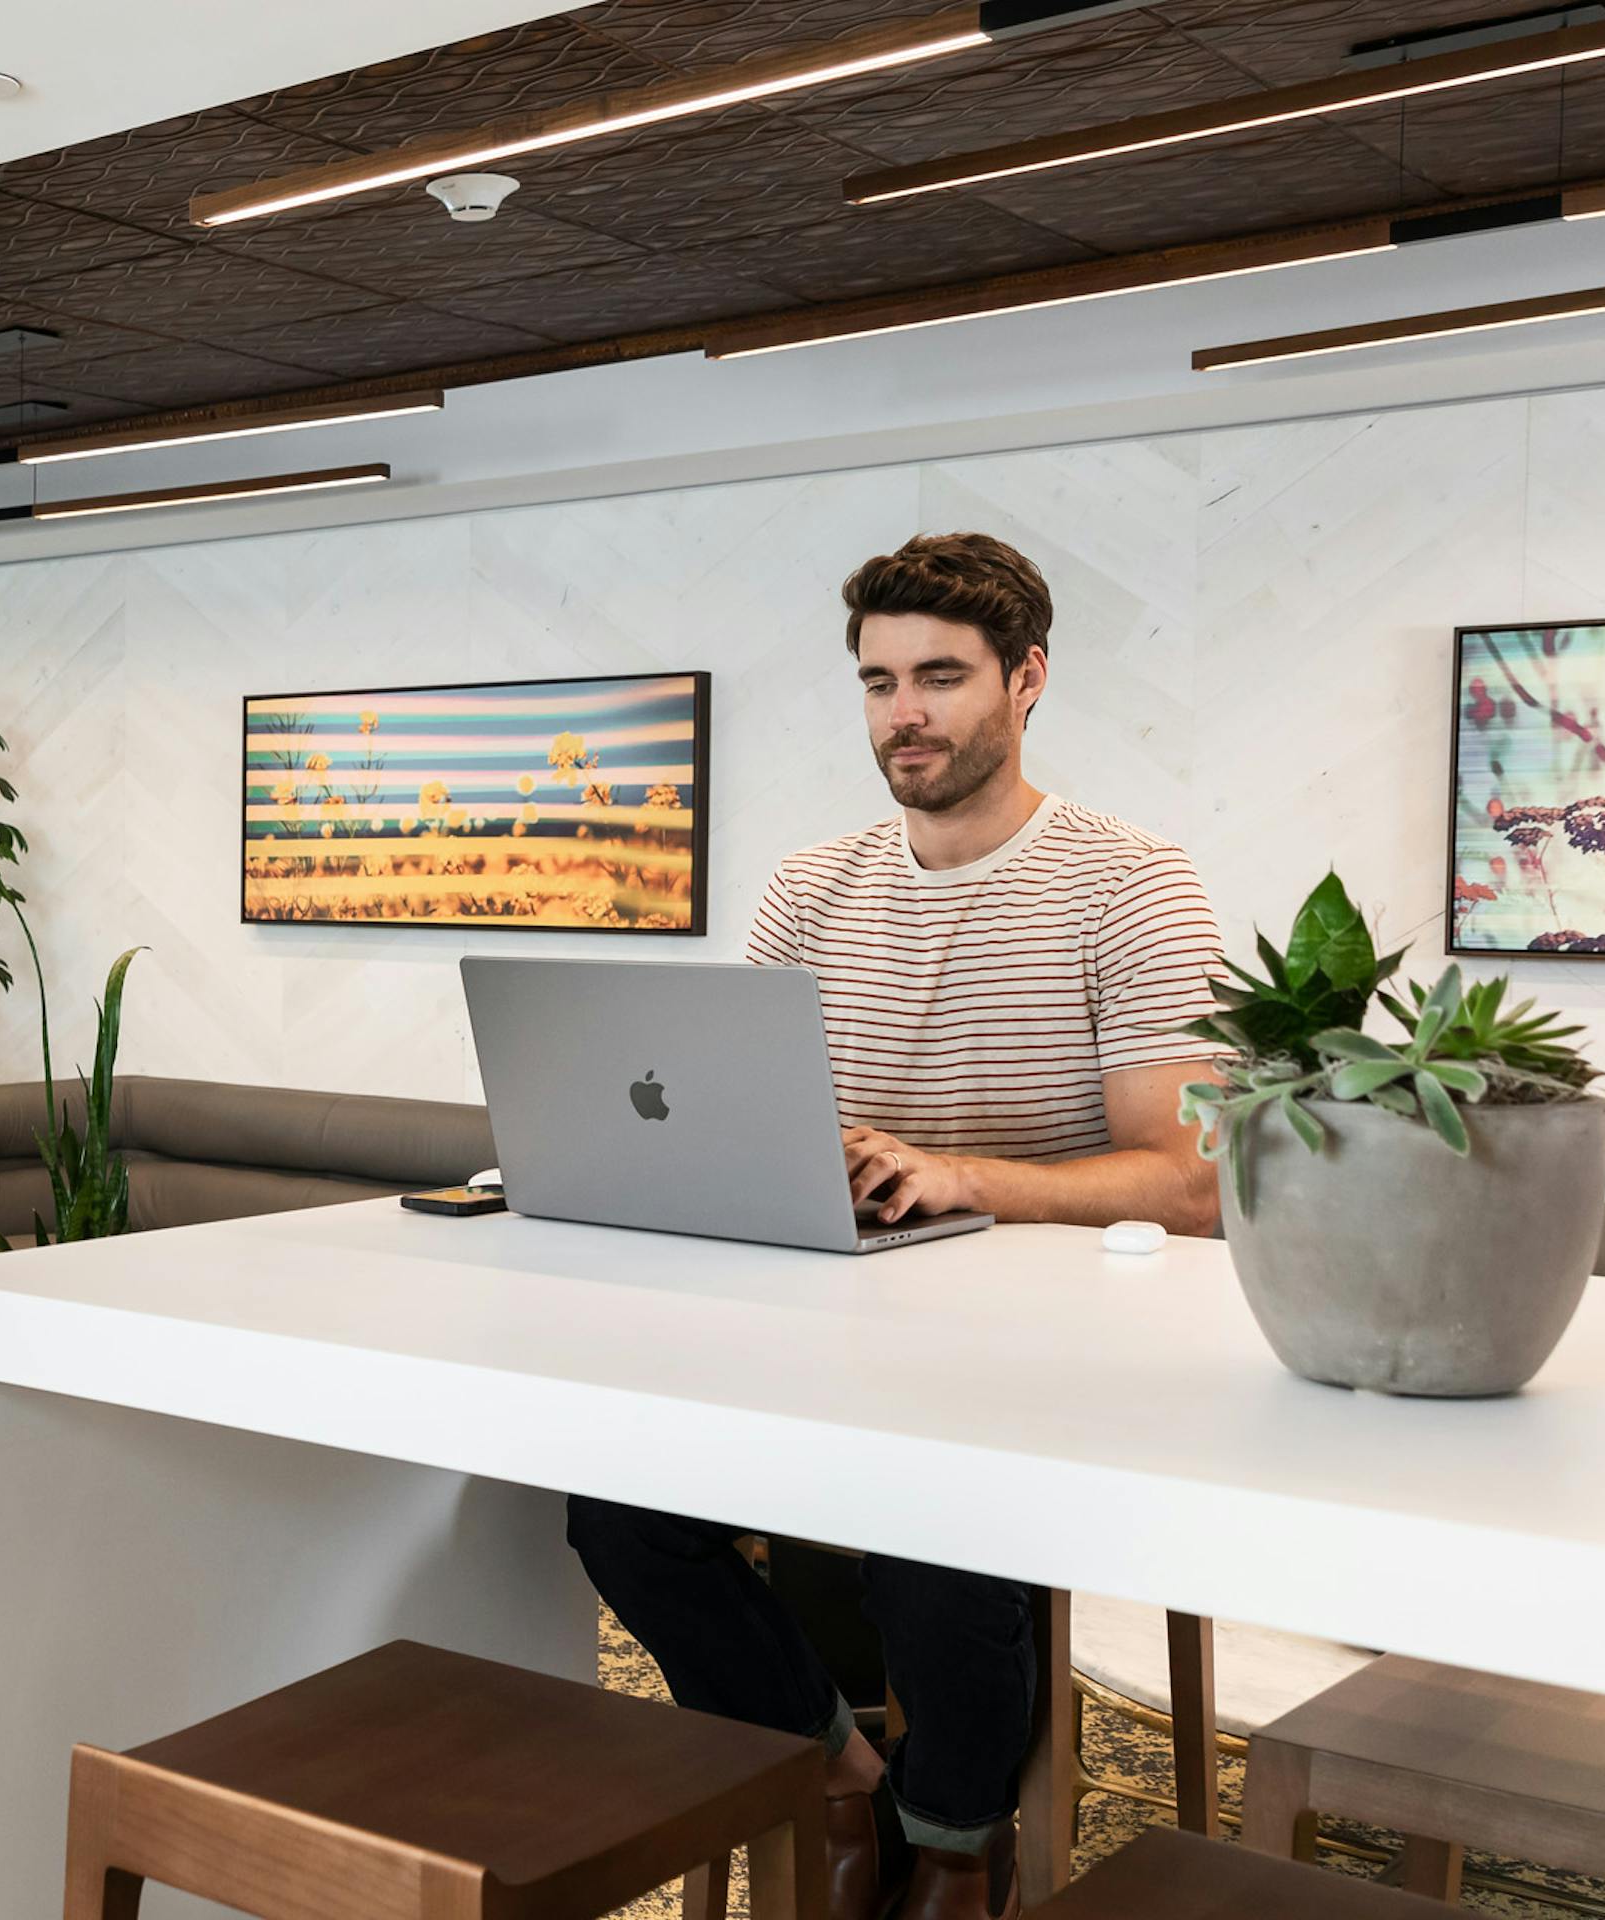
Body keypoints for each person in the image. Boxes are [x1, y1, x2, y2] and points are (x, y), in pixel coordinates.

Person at [566, 531, 1224, 1920]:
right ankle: (835, 1782)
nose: (902, 714)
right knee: (613, 1502)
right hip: (833, 1328)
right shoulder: (811, 889)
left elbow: (1191, 1179)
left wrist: (957, 1172)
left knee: (937, 1527)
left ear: (1027, 679)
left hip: (1054, 1349)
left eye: (938, 677)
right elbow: (733, 1117)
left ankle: (953, 1843)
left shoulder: (1132, 883)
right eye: (877, 683)